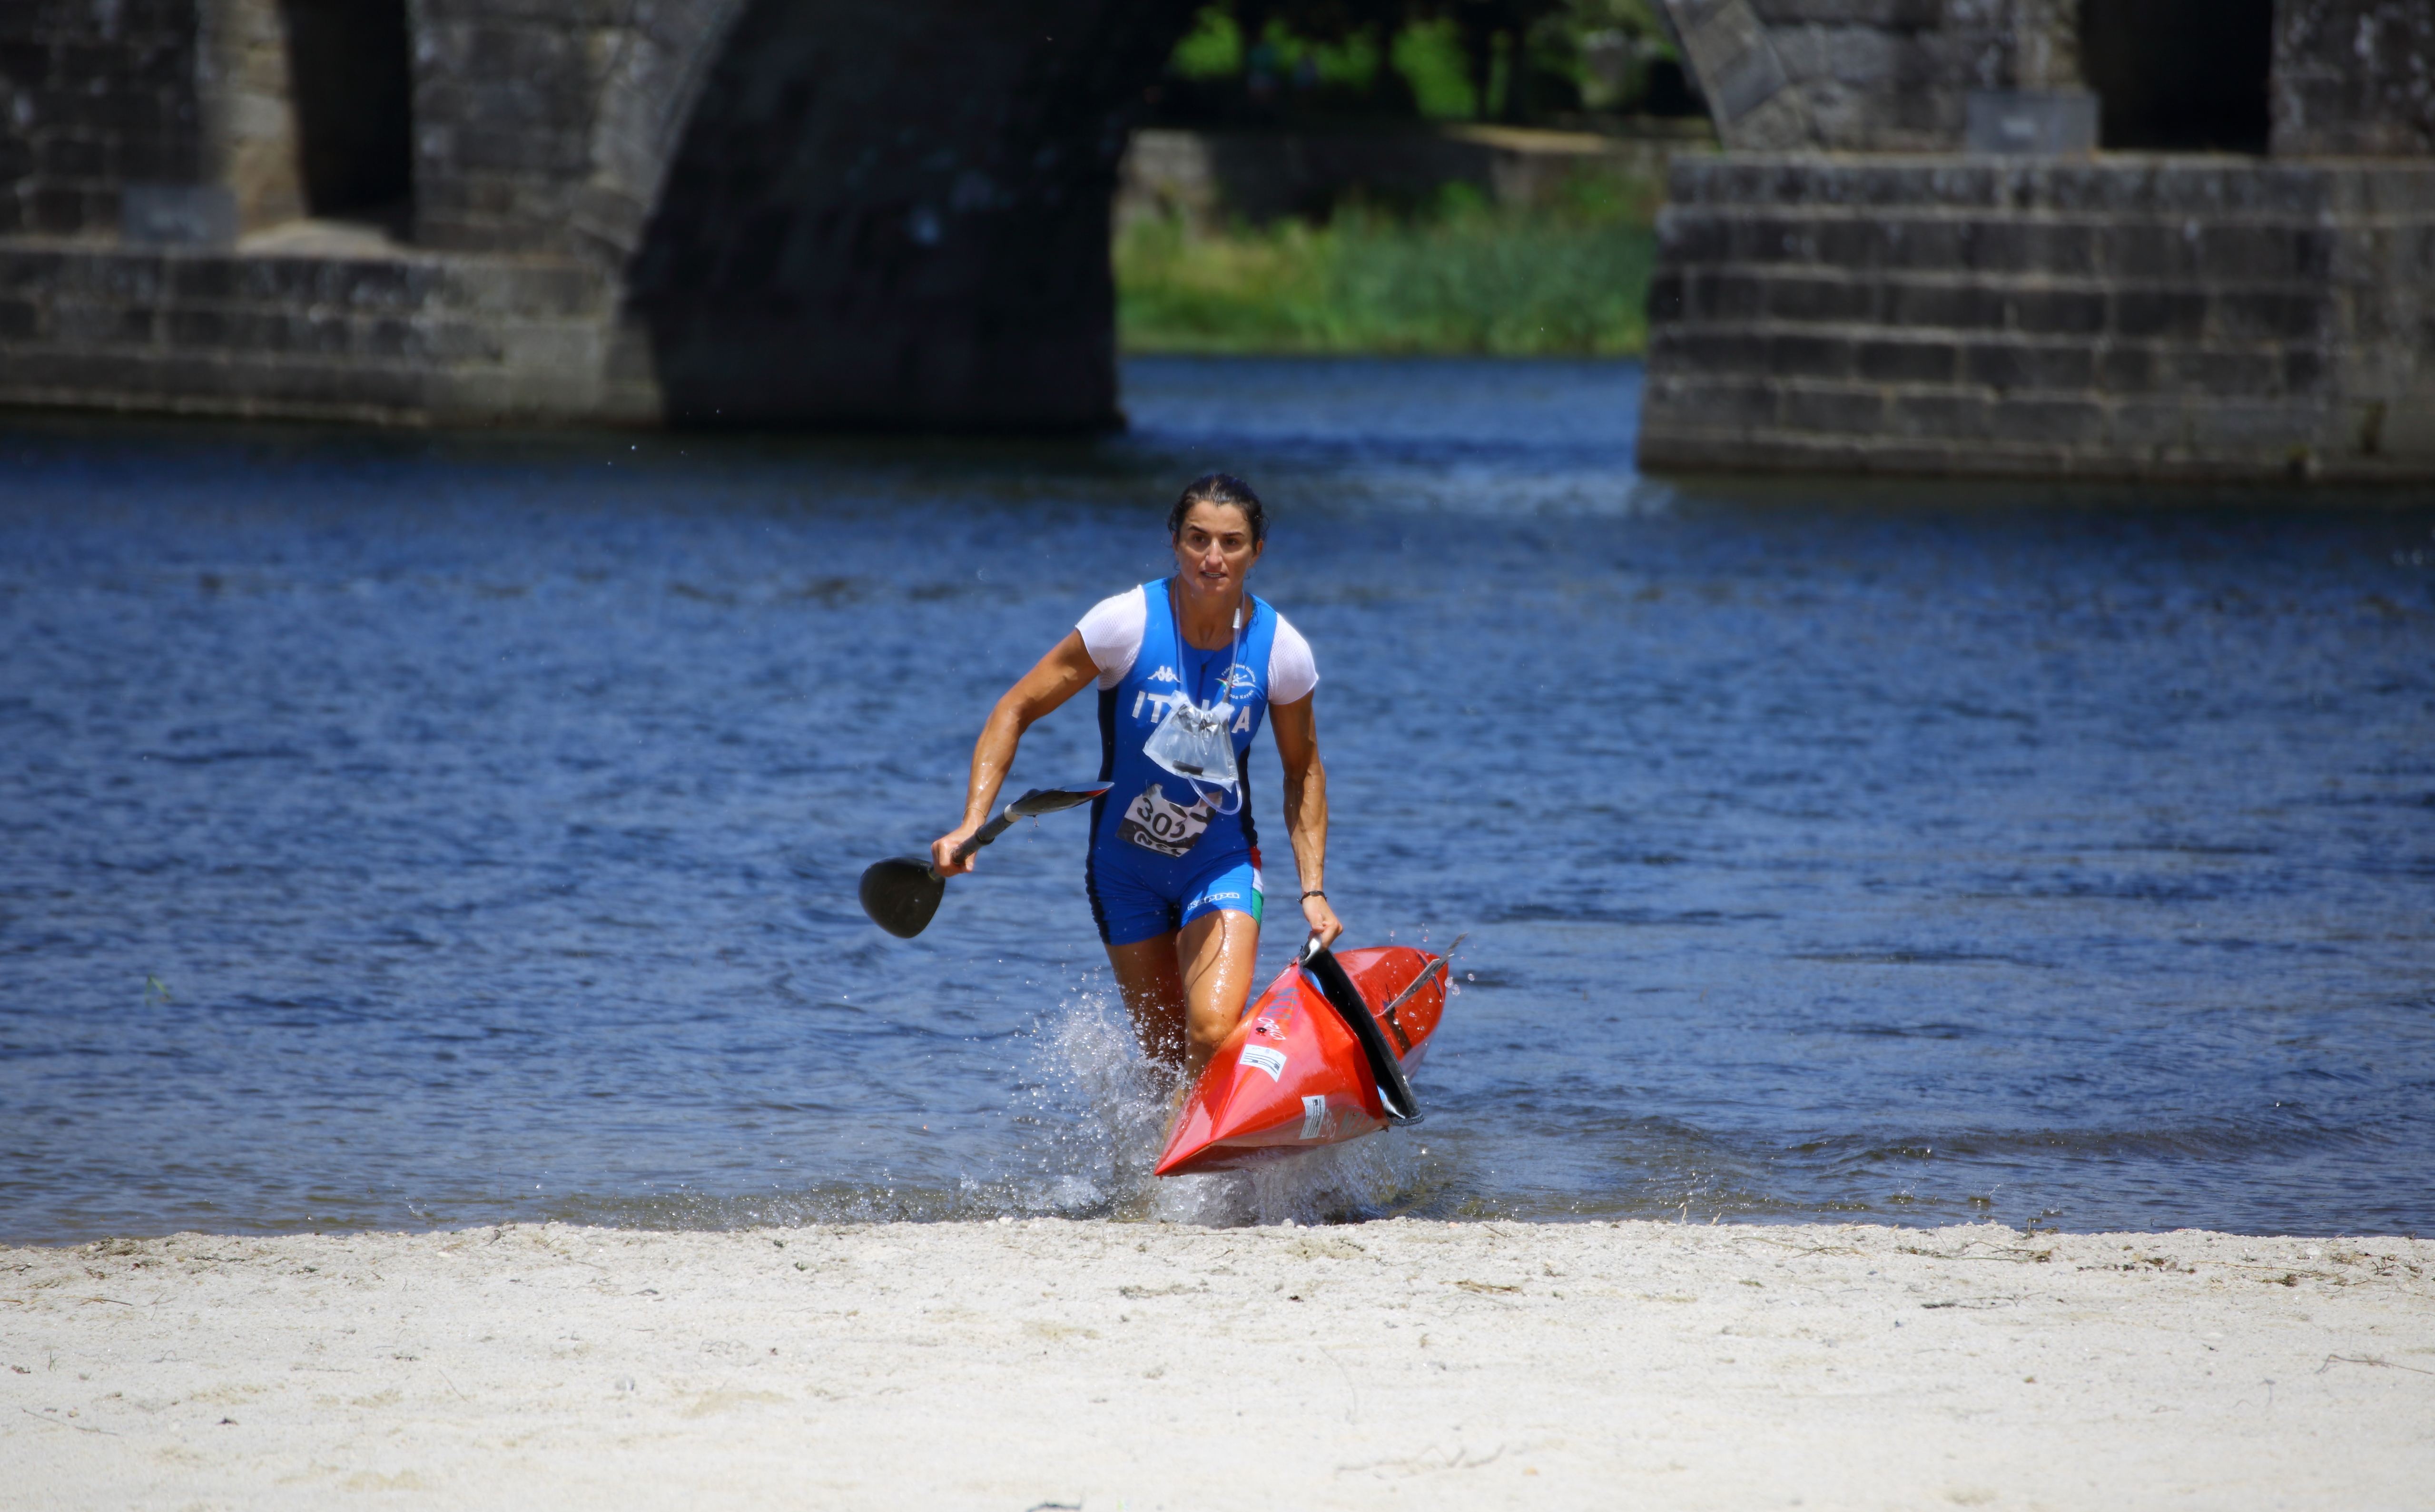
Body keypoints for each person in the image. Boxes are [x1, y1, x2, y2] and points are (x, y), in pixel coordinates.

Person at [930, 473, 1339, 1082]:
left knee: (1208, 1031)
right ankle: (1160, 1173)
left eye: (1231, 542)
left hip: (1219, 859)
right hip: (1123, 871)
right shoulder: (1122, 623)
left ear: (1256, 552)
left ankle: (1223, 1133)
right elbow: (1015, 708)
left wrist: (1312, 890)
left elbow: (1302, 769)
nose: (1212, 557)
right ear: (1173, 541)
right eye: (1197, 538)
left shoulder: (1281, 649)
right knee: (1166, 1059)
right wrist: (971, 819)